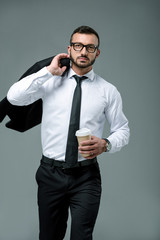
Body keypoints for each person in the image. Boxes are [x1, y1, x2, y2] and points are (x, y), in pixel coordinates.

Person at [7, 26, 130, 240]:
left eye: (90, 47)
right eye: (78, 45)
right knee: (49, 236)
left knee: (82, 237)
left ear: (97, 52)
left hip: (86, 176)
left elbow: (123, 129)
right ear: (69, 49)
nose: (83, 51)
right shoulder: (50, 81)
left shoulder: (107, 91)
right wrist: (47, 72)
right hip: (50, 174)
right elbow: (14, 97)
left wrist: (106, 144)